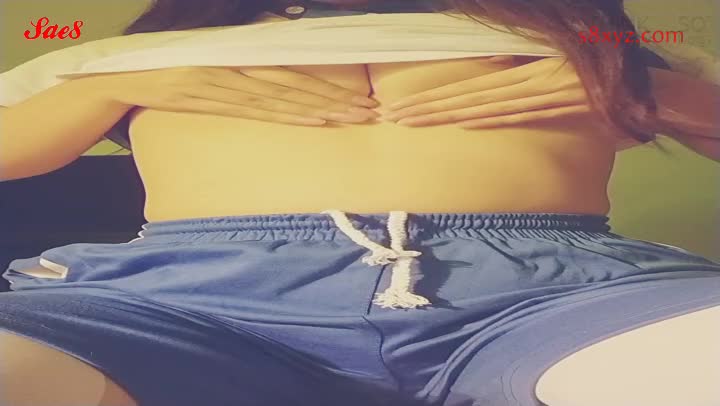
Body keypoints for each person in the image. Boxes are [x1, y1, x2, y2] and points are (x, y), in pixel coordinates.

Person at [1, 1, 719, 405]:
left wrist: (649, 90)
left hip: (561, 294)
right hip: (178, 301)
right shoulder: (133, 55)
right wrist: (105, 87)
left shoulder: (586, 39)